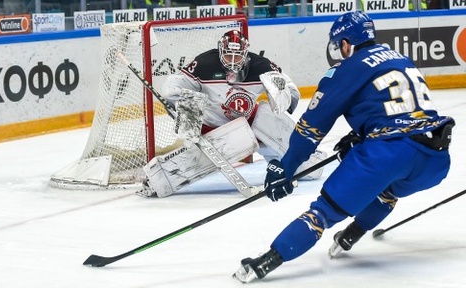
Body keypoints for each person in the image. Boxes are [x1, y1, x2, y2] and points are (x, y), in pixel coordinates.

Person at [233, 11, 455, 283]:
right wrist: (362, 133)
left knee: (322, 214)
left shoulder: (346, 69)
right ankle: (351, 235)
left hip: (388, 154)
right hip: (435, 158)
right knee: (387, 191)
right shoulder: (400, 59)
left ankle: (264, 263)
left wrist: (287, 168)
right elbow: (397, 110)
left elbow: (310, 129)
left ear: (346, 44)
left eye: (339, 45)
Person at [138, 30, 326, 198]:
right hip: (212, 128)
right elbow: (174, 86)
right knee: (169, 172)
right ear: (220, 52)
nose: (233, 62)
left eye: (238, 57)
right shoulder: (204, 64)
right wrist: (180, 104)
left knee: (310, 170)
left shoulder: (262, 66)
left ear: (246, 54)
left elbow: (292, 92)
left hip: (249, 125)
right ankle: (158, 178)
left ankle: (297, 160)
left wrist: (281, 95)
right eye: (228, 57)